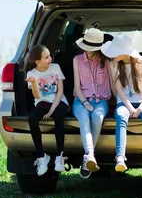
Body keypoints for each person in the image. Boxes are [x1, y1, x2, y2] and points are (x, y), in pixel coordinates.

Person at [101, 35, 142, 184]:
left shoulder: (141, 62)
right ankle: (120, 157)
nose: (112, 55)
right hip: (125, 103)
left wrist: (140, 108)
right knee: (121, 116)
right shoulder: (116, 65)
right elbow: (119, 91)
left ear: (123, 52)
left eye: (115, 51)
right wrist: (130, 108)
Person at [72, 28, 114, 179]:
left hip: (101, 100)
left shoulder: (107, 61)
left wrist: (122, 102)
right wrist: (84, 102)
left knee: (97, 117)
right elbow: (77, 87)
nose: (88, 51)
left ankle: (88, 158)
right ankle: (90, 155)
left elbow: (113, 85)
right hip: (81, 99)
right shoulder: (77, 60)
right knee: (84, 119)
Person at [25, 44, 70, 176]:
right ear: (37, 62)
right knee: (32, 119)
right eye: (46, 57)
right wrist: (33, 82)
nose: (50, 59)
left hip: (59, 101)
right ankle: (41, 157)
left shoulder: (55, 67)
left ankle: (59, 156)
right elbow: (37, 96)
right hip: (42, 102)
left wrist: (51, 110)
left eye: (49, 55)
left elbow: (60, 91)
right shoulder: (31, 74)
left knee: (58, 116)